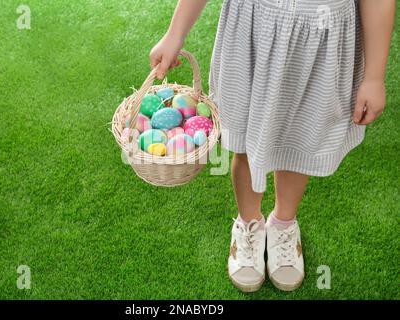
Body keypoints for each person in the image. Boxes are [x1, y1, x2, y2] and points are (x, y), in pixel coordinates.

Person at [149, 0, 395, 292]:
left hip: (319, 41)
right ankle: (249, 223)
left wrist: (375, 76)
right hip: (253, 30)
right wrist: (175, 34)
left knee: (299, 141)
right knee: (246, 142)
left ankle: (283, 224)